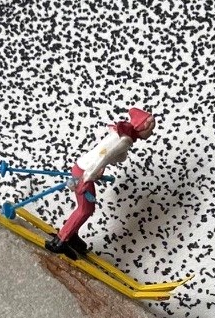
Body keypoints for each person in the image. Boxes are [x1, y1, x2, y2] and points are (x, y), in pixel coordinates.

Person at [45, 107, 156, 259]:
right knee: (85, 210)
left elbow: (104, 154)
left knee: (86, 208)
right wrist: (88, 177)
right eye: (150, 129)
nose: (151, 133)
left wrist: (98, 170)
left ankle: (71, 234)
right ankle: (60, 241)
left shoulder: (122, 136)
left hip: (83, 168)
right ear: (141, 127)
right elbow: (103, 157)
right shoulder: (124, 140)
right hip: (85, 172)